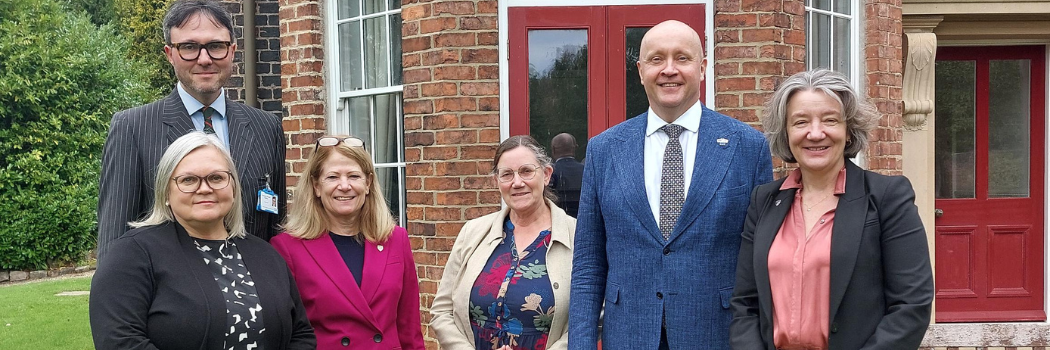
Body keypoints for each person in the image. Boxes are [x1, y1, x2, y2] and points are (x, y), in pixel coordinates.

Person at [568, 20, 773, 350]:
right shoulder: (605, 149)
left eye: (682, 58)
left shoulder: (747, 146)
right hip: (629, 335)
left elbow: (761, 262)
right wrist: (581, 343)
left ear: (702, 68)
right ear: (640, 70)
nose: (669, 70)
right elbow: (589, 264)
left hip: (717, 335)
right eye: (656, 59)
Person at [729, 69, 934, 350]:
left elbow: (912, 304)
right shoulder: (763, 201)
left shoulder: (887, 198)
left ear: (848, 131)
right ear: (786, 133)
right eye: (800, 122)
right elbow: (745, 305)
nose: (815, 133)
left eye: (830, 120)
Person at [96, 0, 286, 261]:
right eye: (189, 47)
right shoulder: (132, 128)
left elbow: (275, 232)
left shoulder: (267, 128)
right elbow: (114, 242)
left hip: (252, 296)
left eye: (216, 46)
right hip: (168, 297)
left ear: (232, 51)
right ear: (169, 53)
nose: (204, 58)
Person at [89, 132, 315, 350]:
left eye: (216, 178)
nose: (205, 188)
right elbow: (119, 340)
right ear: (166, 192)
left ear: (233, 187)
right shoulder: (133, 254)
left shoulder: (265, 255)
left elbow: (301, 334)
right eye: (188, 180)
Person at [270, 135, 425, 350]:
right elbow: (288, 334)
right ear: (316, 186)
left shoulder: (396, 239)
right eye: (333, 177)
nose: (344, 186)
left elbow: (409, 328)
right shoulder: (287, 248)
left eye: (354, 176)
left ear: (368, 183)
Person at [432, 135, 576, 350]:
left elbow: (589, 320)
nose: (517, 183)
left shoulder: (578, 236)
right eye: (507, 174)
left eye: (526, 171)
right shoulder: (472, 232)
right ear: (496, 181)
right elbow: (441, 311)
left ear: (546, 175)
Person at [549, 133, 585, 217]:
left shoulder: (549, 173)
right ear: (575, 148)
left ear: (553, 150)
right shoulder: (586, 171)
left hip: (556, 219)